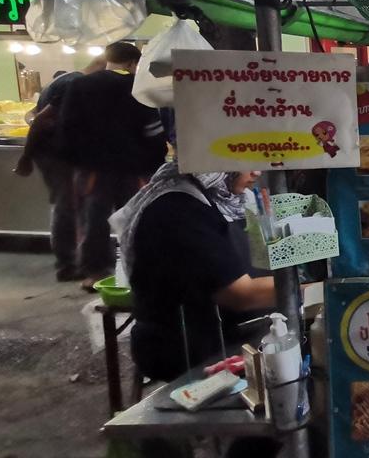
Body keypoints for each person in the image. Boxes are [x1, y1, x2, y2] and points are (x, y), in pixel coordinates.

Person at [114, 162, 275, 381]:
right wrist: (311, 289)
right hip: (187, 348)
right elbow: (240, 295)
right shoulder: (177, 207)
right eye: (246, 162)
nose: (257, 172)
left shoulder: (226, 198)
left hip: (228, 332)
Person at [56, 42, 167, 288]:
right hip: (134, 167)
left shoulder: (80, 85)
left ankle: (94, 273)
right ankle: (138, 268)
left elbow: (66, 127)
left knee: (92, 218)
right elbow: (151, 128)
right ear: (132, 63)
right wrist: (157, 159)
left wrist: (75, 162)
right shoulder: (135, 86)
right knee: (134, 218)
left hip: (92, 168)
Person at [13, 56, 106, 279]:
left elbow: (32, 114)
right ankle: (67, 265)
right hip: (56, 156)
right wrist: (25, 157)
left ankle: (75, 260)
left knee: (71, 205)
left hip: (57, 155)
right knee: (67, 206)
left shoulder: (66, 80)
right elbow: (40, 119)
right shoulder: (73, 84)